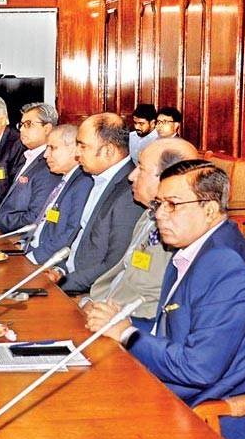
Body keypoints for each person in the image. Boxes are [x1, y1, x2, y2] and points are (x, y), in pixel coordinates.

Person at [85, 160, 245, 439]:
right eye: (158, 204)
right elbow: (174, 327)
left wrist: (127, 334)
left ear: (209, 209)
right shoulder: (196, 248)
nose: (160, 215)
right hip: (192, 394)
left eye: (173, 205)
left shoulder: (226, 265)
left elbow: (198, 368)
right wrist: (119, 321)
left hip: (221, 415)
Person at [83, 137, 199, 319]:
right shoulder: (148, 214)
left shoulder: (182, 231)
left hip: (127, 325)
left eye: (141, 169)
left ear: (168, 177)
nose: (131, 176)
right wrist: (91, 302)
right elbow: (124, 270)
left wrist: (117, 320)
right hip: (102, 308)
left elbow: (157, 301)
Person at [46, 112, 145, 294]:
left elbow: (113, 264)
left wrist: (60, 284)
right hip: (66, 275)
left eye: (82, 146)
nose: (77, 153)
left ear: (108, 150)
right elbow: (77, 238)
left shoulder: (129, 193)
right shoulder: (95, 177)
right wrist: (57, 269)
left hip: (86, 291)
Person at [0, 103, 58, 232]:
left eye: (28, 124)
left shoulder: (50, 164)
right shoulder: (29, 156)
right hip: (0, 222)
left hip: (17, 237)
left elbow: (33, 218)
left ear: (47, 128)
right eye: (21, 125)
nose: (21, 130)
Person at [24, 124, 93, 264]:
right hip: (31, 248)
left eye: (52, 148)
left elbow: (70, 233)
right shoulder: (65, 178)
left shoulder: (83, 183)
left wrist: (31, 259)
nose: (45, 155)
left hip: (46, 260)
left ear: (74, 149)